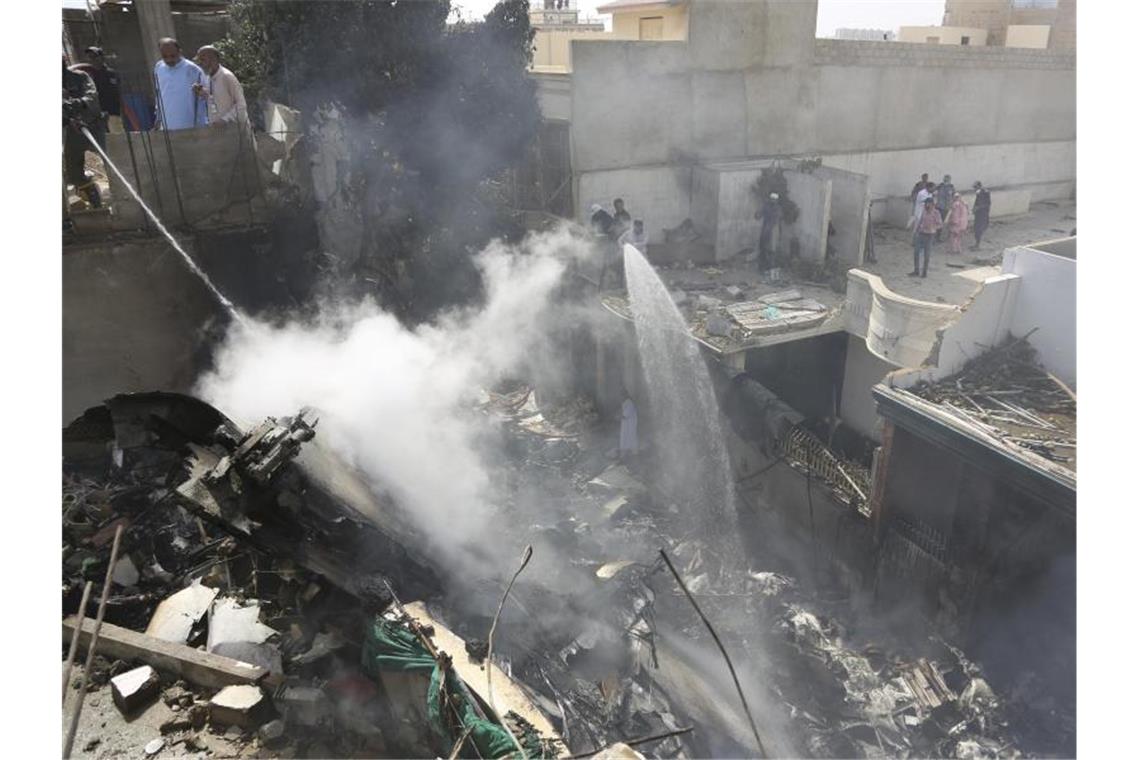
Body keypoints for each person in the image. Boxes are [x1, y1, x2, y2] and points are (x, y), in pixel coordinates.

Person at [63, 56, 103, 210]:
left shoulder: (79, 77)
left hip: (90, 127)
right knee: (74, 173)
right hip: (68, 133)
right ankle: (93, 201)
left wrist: (77, 103)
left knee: (110, 161)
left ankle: (109, 202)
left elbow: (92, 97)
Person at [153, 38, 208, 130]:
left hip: (192, 126)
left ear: (180, 52)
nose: (169, 59)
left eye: (173, 56)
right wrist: (158, 118)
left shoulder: (192, 70)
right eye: (165, 56)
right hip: (167, 127)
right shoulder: (158, 68)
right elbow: (159, 95)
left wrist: (202, 92)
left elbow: (207, 96)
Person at [70, 47, 120, 141]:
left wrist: (115, 113)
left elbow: (116, 94)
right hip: (96, 117)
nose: (92, 60)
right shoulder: (88, 75)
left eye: (94, 57)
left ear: (101, 58)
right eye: (90, 57)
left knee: (117, 140)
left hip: (112, 114)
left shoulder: (110, 74)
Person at [193, 45, 248, 127]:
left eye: (202, 60)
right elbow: (215, 98)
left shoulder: (227, 76)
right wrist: (203, 93)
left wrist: (225, 120)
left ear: (214, 60)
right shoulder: (208, 77)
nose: (200, 63)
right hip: (218, 132)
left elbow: (241, 104)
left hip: (236, 131)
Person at [911, 196, 942, 278]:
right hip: (921, 233)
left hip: (929, 235)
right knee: (916, 252)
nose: (925, 205)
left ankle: (924, 272)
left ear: (932, 204)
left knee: (926, 255)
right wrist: (916, 231)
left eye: (927, 203)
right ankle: (916, 270)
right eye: (925, 203)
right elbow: (920, 221)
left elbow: (940, 224)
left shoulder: (936, 213)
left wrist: (933, 228)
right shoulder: (924, 211)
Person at [756, 192, 781, 268]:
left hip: (773, 228)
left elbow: (775, 220)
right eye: (771, 199)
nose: (772, 201)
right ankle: (763, 264)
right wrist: (758, 214)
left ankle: (771, 265)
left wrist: (768, 228)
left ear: (777, 200)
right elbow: (759, 214)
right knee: (763, 245)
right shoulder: (766, 206)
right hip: (766, 226)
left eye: (774, 199)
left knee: (772, 247)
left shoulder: (778, 208)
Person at [970, 180, 991, 251]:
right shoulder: (983, 192)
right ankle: (977, 244)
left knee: (978, 230)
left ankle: (977, 245)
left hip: (981, 214)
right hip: (981, 214)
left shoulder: (982, 193)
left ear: (979, 186)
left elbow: (981, 204)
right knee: (978, 229)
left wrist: (975, 209)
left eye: (975, 187)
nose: (974, 189)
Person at [618, 391, 638, 462]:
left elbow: (625, 415)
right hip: (627, 425)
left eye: (622, 395)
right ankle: (626, 455)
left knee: (630, 438)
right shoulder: (626, 403)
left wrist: (618, 416)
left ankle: (633, 456)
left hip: (630, 425)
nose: (620, 397)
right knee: (626, 439)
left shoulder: (629, 403)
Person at [935, 175, 954, 241]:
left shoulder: (951, 187)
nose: (946, 180)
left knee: (941, 222)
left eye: (947, 179)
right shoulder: (940, 186)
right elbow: (934, 191)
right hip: (939, 207)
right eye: (945, 179)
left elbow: (953, 196)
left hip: (945, 208)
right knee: (937, 221)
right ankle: (935, 236)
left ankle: (938, 236)